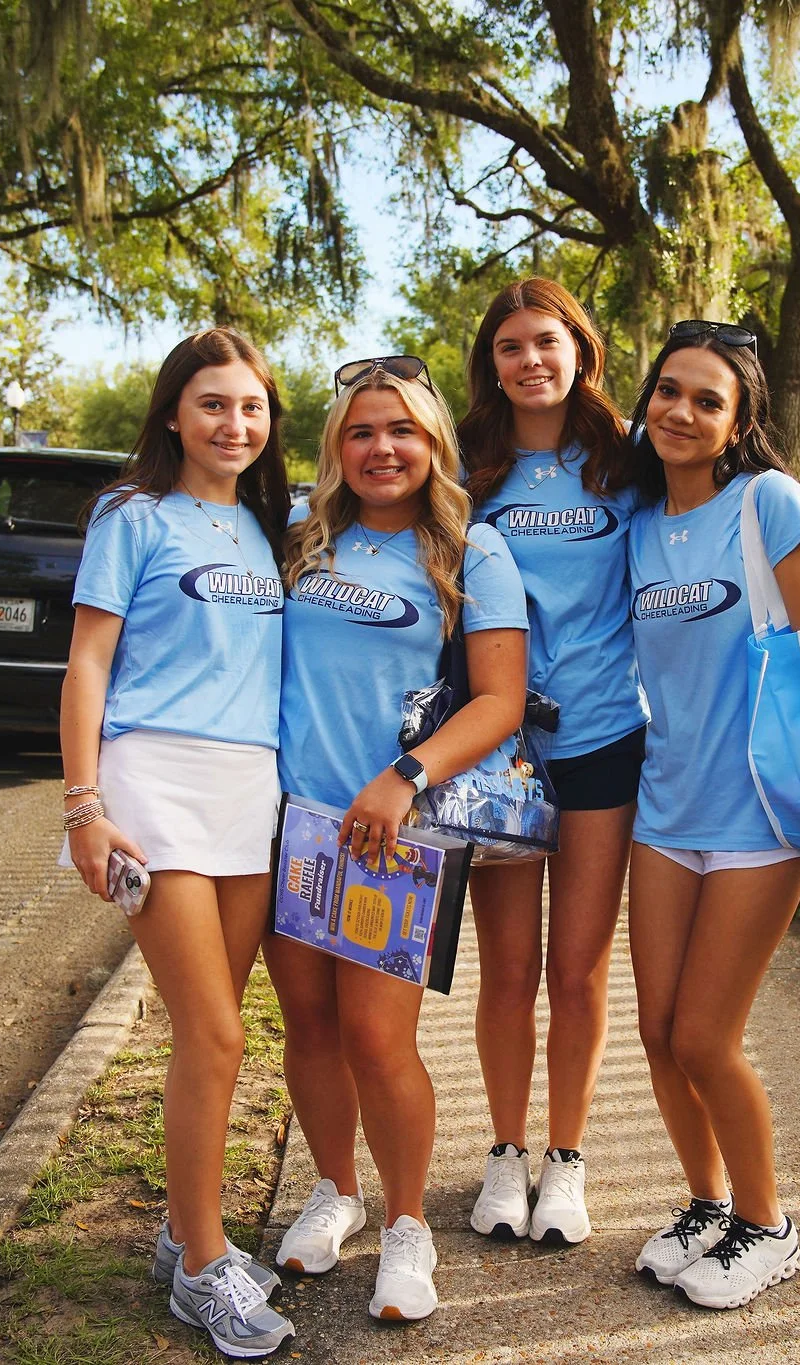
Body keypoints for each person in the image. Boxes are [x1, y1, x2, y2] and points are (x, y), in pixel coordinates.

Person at [622, 320, 800, 1310]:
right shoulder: (639, 521)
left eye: (705, 400)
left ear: (738, 424)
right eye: (668, 392)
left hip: (758, 815)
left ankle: (766, 1225)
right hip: (664, 807)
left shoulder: (766, 502)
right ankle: (704, 1203)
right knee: (653, 1031)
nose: (680, 413)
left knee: (703, 1036)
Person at [267, 355, 530, 1321]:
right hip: (294, 826)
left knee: (380, 1039)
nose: (384, 448)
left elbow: (501, 700)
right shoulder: (300, 543)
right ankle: (336, 1191)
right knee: (311, 1028)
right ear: (338, 447)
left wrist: (404, 776)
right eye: (363, 431)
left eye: (403, 431)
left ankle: (408, 1224)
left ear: (434, 445)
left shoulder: (471, 551)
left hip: (395, 834)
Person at [59, 329, 297, 1359]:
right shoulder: (131, 515)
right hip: (153, 782)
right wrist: (83, 807)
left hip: (252, 788)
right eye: (212, 405)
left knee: (216, 1028)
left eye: (249, 407)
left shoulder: (268, 524)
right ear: (172, 414)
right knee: (214, 1033)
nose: (232, 424)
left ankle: (178, 1231)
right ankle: (204, 1271)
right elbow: (85, 664)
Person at [459, 279, 644, 1246]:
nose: (531, 360)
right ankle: (501, 1152)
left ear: (581, 348)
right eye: (510, 346)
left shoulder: (628, 460)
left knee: (576, 970)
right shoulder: (468, 468)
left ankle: (564, 1158)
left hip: (605, 742)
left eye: (547, 341)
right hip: (499, 759)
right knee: (508, 971)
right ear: (492, 364)